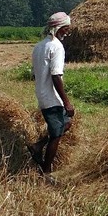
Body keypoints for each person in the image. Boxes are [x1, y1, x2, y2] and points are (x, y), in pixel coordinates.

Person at [27, 12, 74, 183]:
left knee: (66, 123)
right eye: (66, 28)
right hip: (51, 98)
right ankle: (46, 173)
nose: (68, 31)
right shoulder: (57, 47)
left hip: (42, 93)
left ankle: (38, 146)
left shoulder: (39, 46)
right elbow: (55, 75)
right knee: (56, 135)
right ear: (59, 28)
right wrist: (66, 102)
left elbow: (34, 73)